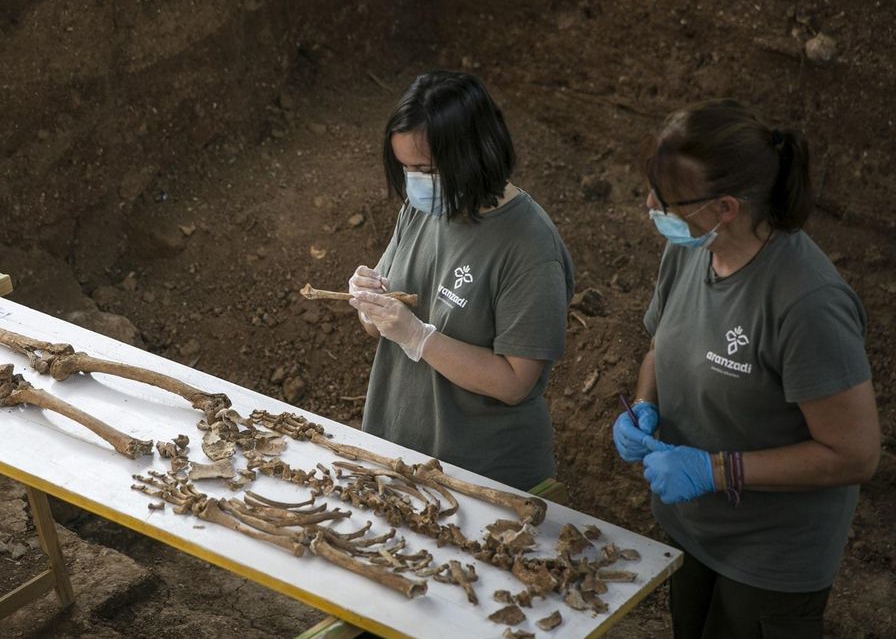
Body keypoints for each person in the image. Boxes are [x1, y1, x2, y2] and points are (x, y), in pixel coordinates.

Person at [612, 99, 880, 639]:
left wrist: (716, 470)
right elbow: (662, 343)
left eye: (666, 200)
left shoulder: (807, 303)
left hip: (771, 555)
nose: (650, 206)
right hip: (694, 527)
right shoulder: (689, 248)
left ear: (725, 207)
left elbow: (854, 454)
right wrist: (645, 403)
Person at [348, 70, 574, 491]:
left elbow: (514, 382)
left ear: (474, 154)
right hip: (400, 453)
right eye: (406, 169)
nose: (414, 183)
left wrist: (419, 338)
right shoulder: (424, 207)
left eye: (424, 169)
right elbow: (378, 323)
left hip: (482, 477)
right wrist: (369, 300)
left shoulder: (528, 247)